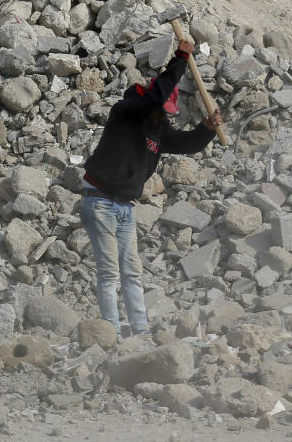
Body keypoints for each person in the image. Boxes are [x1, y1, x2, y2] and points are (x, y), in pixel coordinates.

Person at [82, 40, 221, 336]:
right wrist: (181, 58)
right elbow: (157, 93)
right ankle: (110, 332)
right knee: (109, 272)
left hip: (124, 207)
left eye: (167, 113)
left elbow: (186, 144)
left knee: (132, 272)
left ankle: (140, 331)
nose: (165, 116)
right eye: (162, 110)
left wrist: (206, 129)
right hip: (100, 200)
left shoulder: (158, 129)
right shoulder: (127, 111)